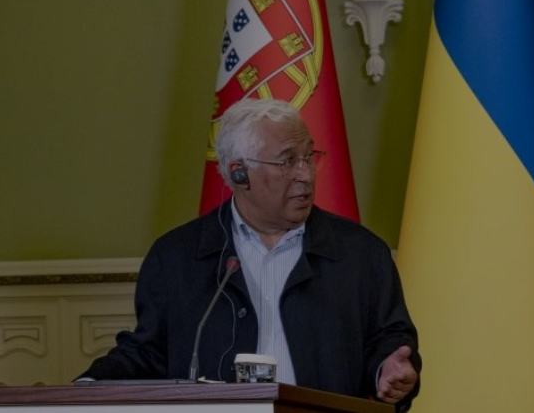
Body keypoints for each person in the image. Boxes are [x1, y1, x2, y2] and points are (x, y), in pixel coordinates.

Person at [81, 98, 421, 409]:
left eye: (308, 157)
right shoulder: (176, 257)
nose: (305, 174)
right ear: (239, 173)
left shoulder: (361, 253)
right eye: (287, 161)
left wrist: (388, 370)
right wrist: (87, 387)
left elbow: (389, 340)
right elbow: (149, 352)